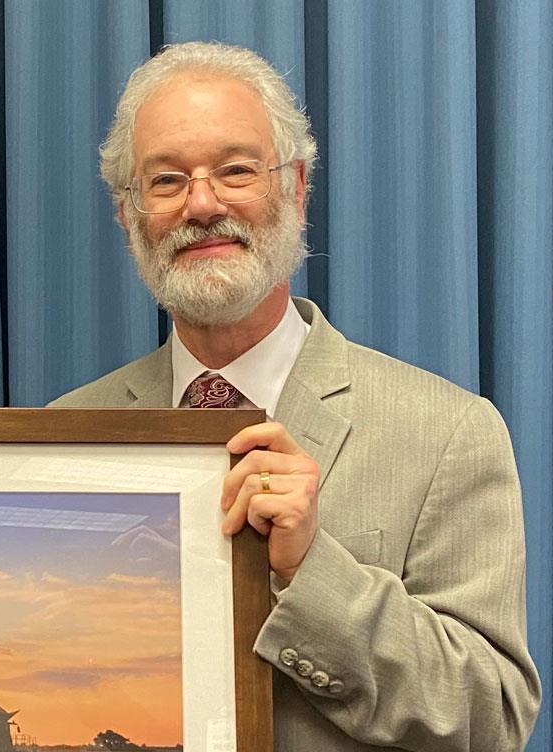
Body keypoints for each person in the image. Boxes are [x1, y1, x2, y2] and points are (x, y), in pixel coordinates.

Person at [52, 41, 539, 750]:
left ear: (297, 187)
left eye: (236, 170)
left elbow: (492, 716)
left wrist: (313, 570)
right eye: (165, 181)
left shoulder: (448, 432)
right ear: (128, 215)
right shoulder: (67, 434)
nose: (203, 203)